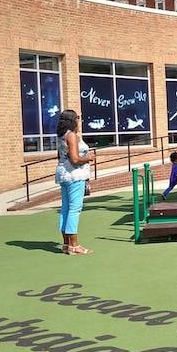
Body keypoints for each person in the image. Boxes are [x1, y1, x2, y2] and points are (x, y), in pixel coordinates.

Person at [55, 109, 95, 255]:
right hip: (74, 175)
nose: (79, 120)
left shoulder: (61, 136)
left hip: (63, 174)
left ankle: (66, 244)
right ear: (73, 120)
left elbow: (60, 156)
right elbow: (75, 159)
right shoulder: (71, 136)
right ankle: (74, 245)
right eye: (77, 118)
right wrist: (88, 158)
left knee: (65, 208)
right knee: (74, 209)